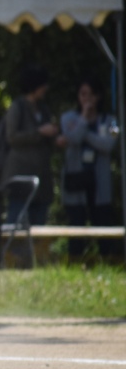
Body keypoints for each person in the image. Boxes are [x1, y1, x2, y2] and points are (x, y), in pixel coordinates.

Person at [59, 76, 120, 259]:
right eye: (83, 94)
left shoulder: (112, 121)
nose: (87, 99)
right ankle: (75, 260)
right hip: (76, 181)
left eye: (91, 94)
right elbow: (73, 138)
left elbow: (109, 145)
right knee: (76, 222)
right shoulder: (67, 118)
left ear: (99, 96)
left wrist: (82, 133)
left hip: (100, 183)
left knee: (102, 222)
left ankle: (106, 260)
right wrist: (84, 119)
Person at [1, 64, 60, 227]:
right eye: (43, 84)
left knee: (39, 224)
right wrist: (39, 132)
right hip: (20, 178)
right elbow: (12, 137)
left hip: (41, 179)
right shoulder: (17, 107)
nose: (46, 88)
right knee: (16, 223)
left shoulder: (44, 109)